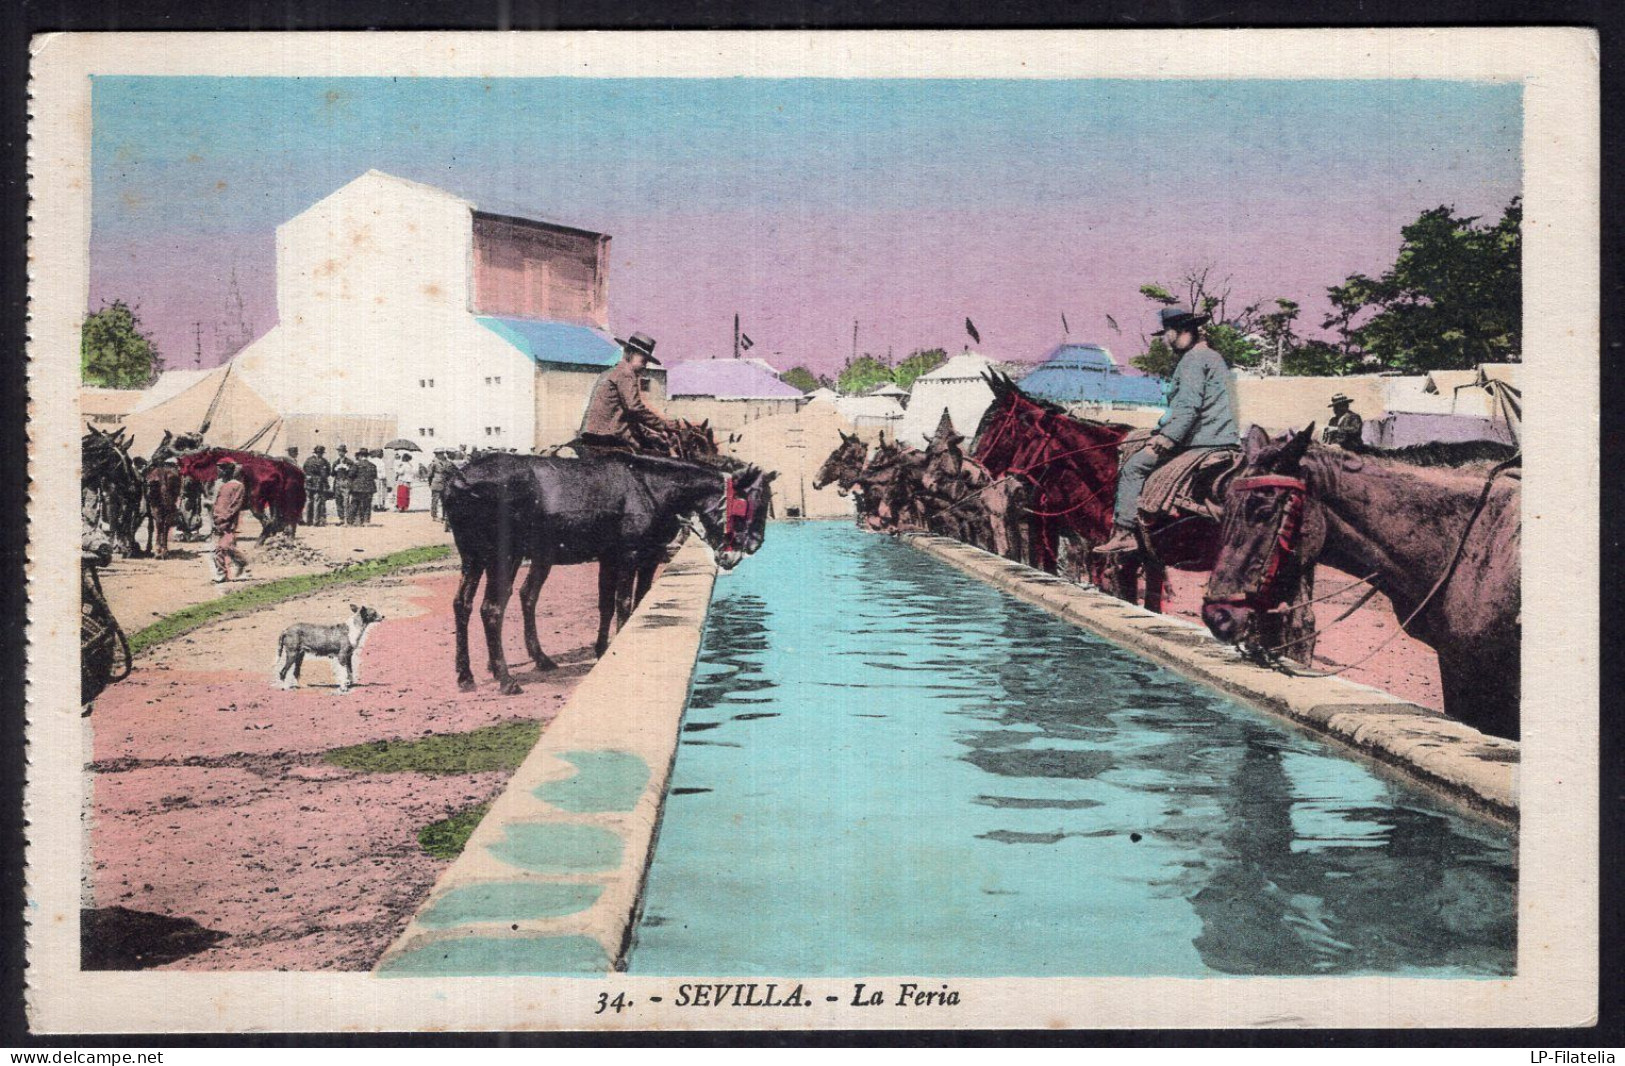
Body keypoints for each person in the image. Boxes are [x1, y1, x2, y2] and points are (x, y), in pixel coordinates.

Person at [1096, 306, 1240, 554]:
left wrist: (1166, 439)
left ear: (1179, 331)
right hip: (1219, 434)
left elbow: (1188, 409)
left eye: (1167, 333)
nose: (1165, 339)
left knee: (1134, 466)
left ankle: (1124, 532)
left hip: (1203, 440)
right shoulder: (1211, 356)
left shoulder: (1193, 360)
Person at [578, 332, 677, 453]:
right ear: (630, 353)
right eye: (643, 361)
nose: (645, 366)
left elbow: (627, 415)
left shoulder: (610, 372)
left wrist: (648, 434)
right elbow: (634, 408)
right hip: (606, 436)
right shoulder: (627, 373)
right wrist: (663, 425)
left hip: (591, 432)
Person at [209, 460, 251, 583]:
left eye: (221, 469)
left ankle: (222, 573)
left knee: (222, 548)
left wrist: (225, 519)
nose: (218, 472)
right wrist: (215, 518)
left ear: (228, 470)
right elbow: (217, 503)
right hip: (218, 521)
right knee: (227, 548)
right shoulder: (222, 485)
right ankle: (242, 565)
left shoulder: (238, 485)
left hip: (228, 522)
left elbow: (235, 505)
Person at [302, 444, 332, 526]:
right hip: (318, 484)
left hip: (309, 483)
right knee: (316, 502)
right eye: (320, 453)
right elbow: (327, 473)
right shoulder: (323, 461)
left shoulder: (308, 460)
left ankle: (309, 521)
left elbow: (303, 469)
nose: (320, 454)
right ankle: (316, 521)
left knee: (309, 501)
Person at [351, 448, 379, 526]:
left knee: (355, 504)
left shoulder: (356, 465)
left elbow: (351, 475)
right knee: (367, 505)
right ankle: (366, 521)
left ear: (360, 456)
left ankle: (355, 521)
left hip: (357, 487)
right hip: (369, 488)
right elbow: (374, 476)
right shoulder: (372, 465)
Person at [330, 445, 356, 526]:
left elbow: (353, 473)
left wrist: (347, 470)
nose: (340, 453)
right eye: (339, 451)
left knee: (346, 502)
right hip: (337, 482)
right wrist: (335, 469)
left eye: (341, 451)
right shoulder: (336, 462)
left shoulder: (349, 462)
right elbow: (332, 474)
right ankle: (341, 519)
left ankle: (346, 520)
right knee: (338, 501)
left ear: (345, 452)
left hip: (346, 482)